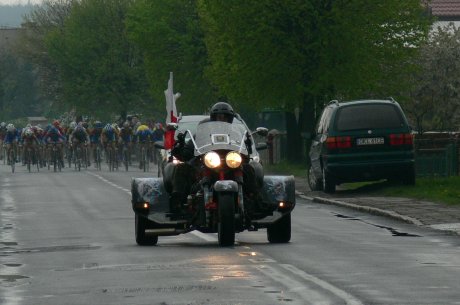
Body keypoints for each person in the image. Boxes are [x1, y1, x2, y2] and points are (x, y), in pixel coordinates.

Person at [169, 101, 261, 214]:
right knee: (181, 168)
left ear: (230, 119)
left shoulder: (236, 134)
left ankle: (256, 201)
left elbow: (245, 151)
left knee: (249, 168)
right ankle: (177, 203)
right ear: (213, 118)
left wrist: (245, 151)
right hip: (206, 163)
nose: (221, 120)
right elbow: (187, 153)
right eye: (218, 117)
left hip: (231, 164)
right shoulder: (201, 135)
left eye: (225, 117)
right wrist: (180, 147)